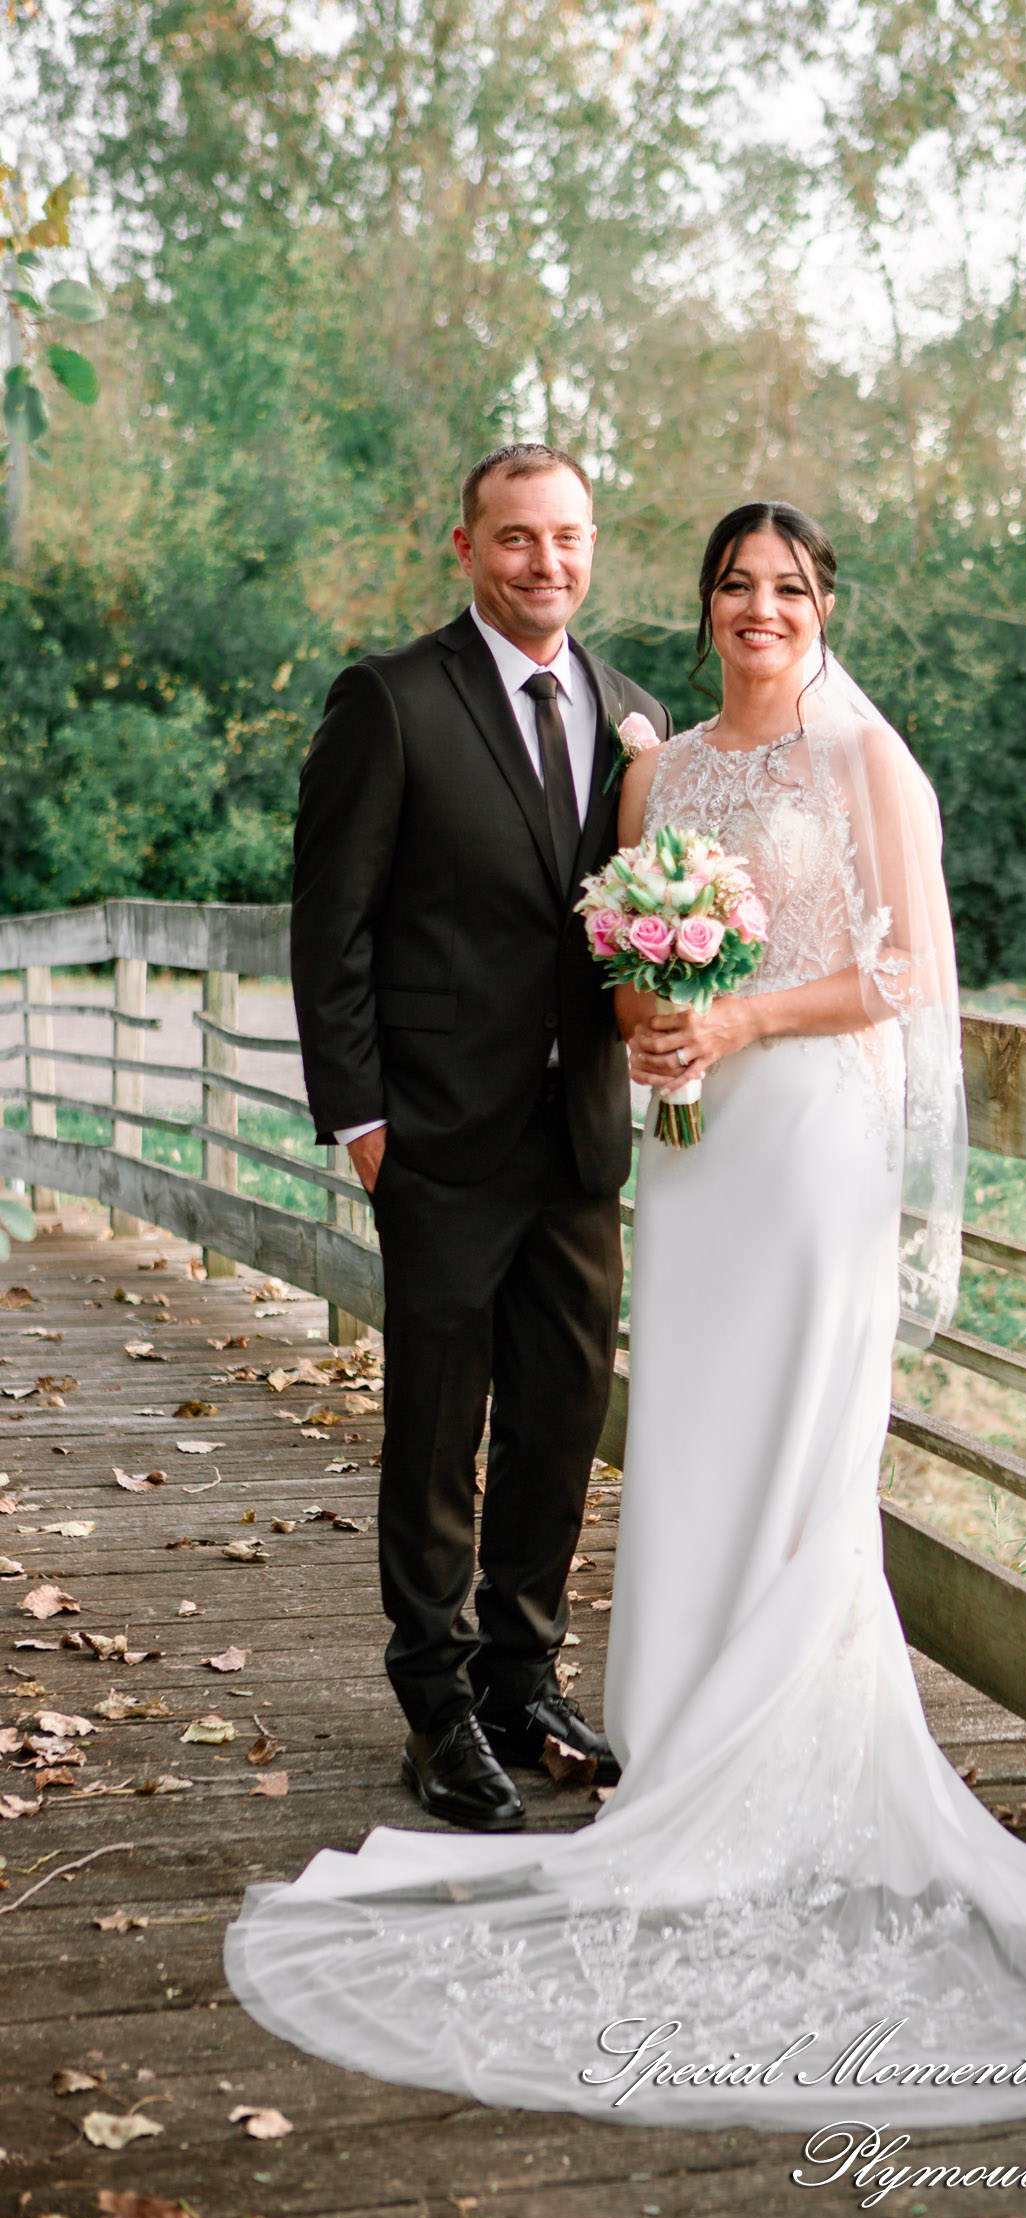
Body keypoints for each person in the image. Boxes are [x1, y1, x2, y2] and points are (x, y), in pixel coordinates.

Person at [227, 501, 1026, 2131]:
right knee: (674, 1429)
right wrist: (655, 1017)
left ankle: (709, 1734)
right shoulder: (650, 761)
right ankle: (607, 1724)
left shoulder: (867, 763)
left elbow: (900, 970)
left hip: (808, 1142)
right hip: (683, 1154)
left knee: (783, 1445)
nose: (759, 607)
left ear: (824, 602)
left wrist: (740, 1012)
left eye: (788, 586)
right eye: (736, 586)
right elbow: (601, 956)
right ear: (698, 605)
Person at [288, 442, 670, 1831]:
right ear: (466, 548)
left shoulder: (637, 715)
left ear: (591, 544)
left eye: (566, 537)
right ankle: (437, 1702)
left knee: (563, 1416)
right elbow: (329, 924)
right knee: (440, 1424)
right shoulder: (389, 701)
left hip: (581, 1137)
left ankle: (521, 1674)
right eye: (515, 539)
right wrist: (364, 1118)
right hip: (438, 1137)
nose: (545, 562)